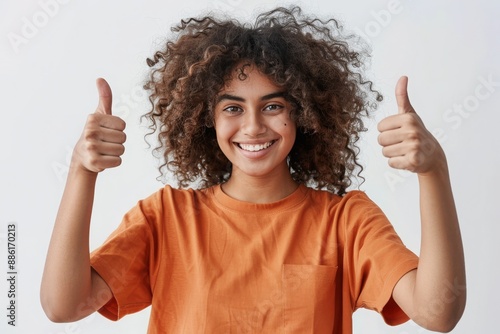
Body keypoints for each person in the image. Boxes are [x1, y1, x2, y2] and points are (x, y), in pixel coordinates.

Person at [40, 6, 466, 333]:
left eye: (273, 106)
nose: (253, 126)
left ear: (303, 113)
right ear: (206, 118)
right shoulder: (166, 217)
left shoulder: (345, 222)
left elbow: (437, 312)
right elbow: (63, 306)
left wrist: (434, 173)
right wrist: (81, 171)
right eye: (232, 107)